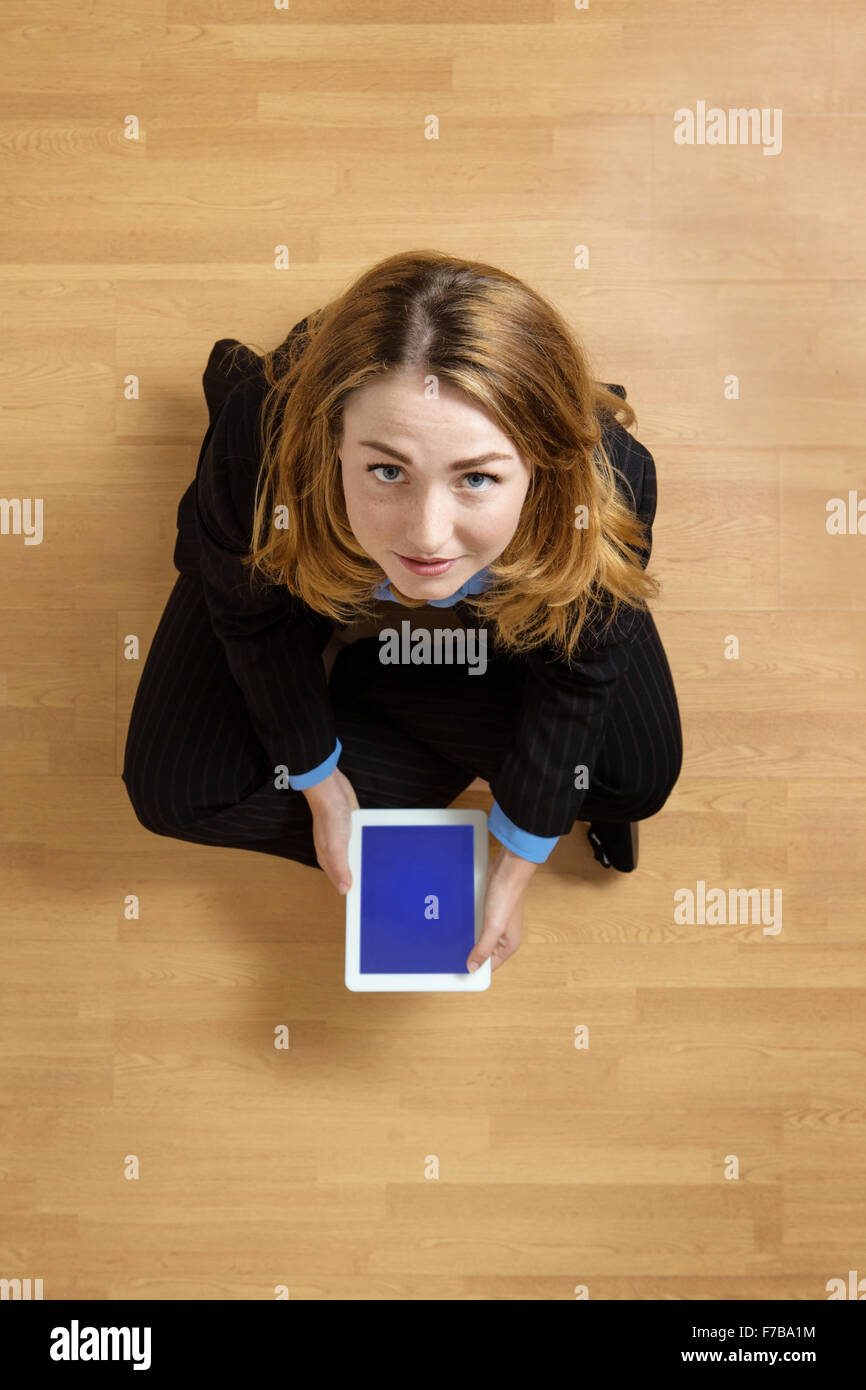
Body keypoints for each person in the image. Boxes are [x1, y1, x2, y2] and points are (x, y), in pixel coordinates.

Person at [121, 250, 683, 974]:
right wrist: (320, 783)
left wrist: (519, 855)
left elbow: (583, 672)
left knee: (633, 780)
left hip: (495, 591)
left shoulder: (608, 485)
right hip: (296, 542)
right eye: (387, 469)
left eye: (477, 476)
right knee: (175, 793)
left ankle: (375, 677)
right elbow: (252, 622)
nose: (425, 537)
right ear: (332, 443)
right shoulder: (257, 457)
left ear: (544, 463)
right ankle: (367, 681)